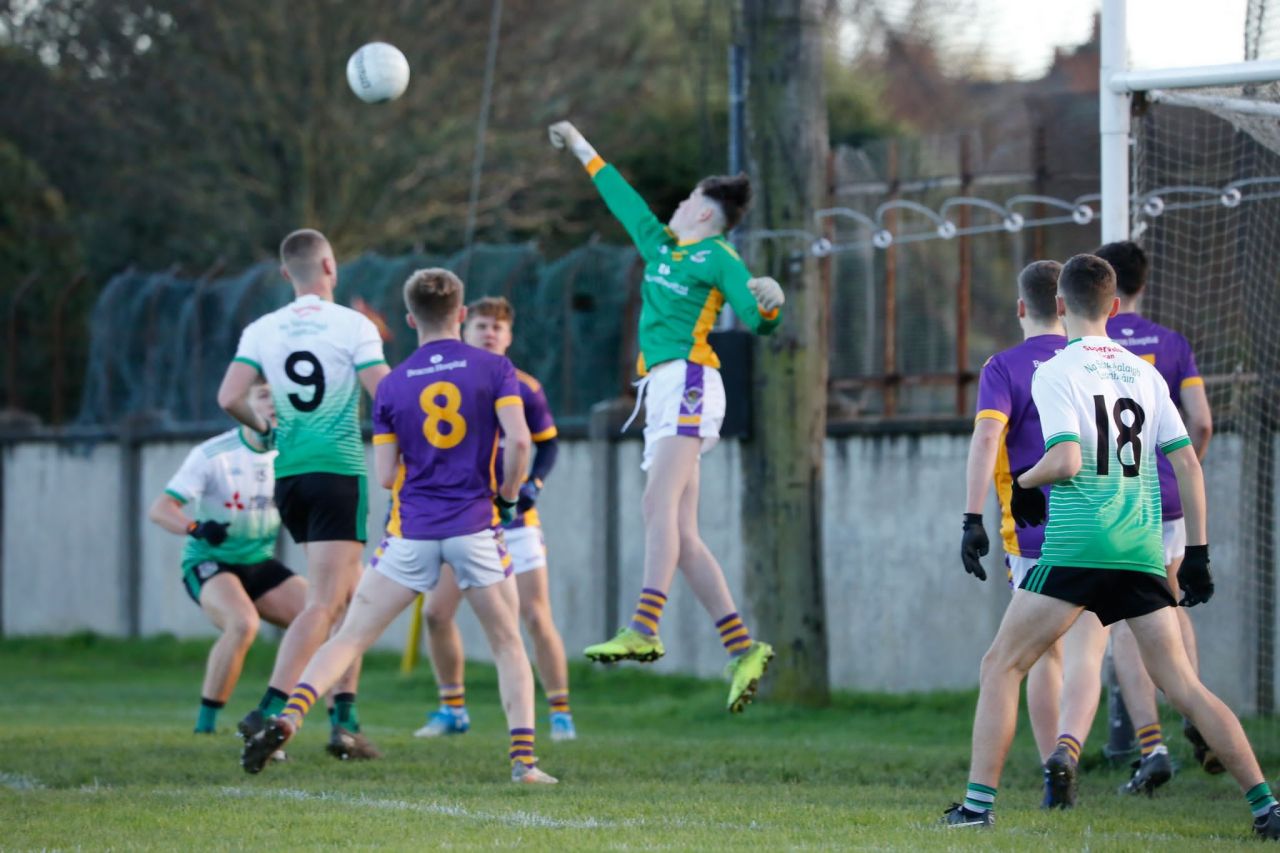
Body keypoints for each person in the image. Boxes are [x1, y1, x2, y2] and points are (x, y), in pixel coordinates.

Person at [944, 254, 1280, 840]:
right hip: (1141, 550)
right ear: (1115, 308)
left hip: (1075, 549)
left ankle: (976, 807)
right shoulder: (1144, 372)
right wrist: (1198, 554)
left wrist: (1024, 482)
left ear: (1057, 308)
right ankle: (1265, 806)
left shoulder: (1055, 369)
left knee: (1002, 665)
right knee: (1183, 685)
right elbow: (1188, 467)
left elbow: (1066, 459)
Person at [240, 268, 557, 784]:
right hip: (475, 526)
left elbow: (387, 475)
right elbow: (521, 443)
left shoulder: (392, 384)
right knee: (506, 642)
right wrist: (506, 495)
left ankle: (288, 716)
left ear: (410, 319)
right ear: (460, 314)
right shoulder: (495, 368)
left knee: (350, 636)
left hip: (412, 530)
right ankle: (524, 762)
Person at [549, 119, 784, 713]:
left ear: (705, 215)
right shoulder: (660, 247)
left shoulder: (718, 255)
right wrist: (582, 145)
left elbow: (756, 322)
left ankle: (644, 627)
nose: (676, 205)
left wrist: (771, 301)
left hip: (691, 382)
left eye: (687, 200)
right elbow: (622, 198)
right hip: (662, 390)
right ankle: (742, 647)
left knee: (657, 507)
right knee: (681, 532)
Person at [218, 228, 389, 762]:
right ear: (331, 266)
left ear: (285, 274)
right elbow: (385, 393)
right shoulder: (354, 325)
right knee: (325, 604)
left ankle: (345, 722)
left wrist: (265, 428)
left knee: (349, 599)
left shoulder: (262, 328)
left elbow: (229, 397)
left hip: (289, 475)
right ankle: (270, 710)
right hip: (337, 471)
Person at [962, 260, 1107, 808]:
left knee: (1038, 656)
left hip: (1033, 533)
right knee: (1090, 652)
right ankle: (1070, 749)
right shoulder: (1101, 364)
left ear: (1022, 308)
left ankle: (1051, 767)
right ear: (1068, 306)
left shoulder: (1005, 366)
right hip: (1111, 527)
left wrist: (970, 518)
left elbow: (985, 441)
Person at [415, 296, 576, 741]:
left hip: (513, 524)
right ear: (463, 328)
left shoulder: (523, 385)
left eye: (498, 328)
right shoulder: (444, 382)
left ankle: (560, 712)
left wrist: (532, 486)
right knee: (436, 613)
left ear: (509, 336)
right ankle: (452, 709)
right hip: (462, 520)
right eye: (482, 324)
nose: (490, 333)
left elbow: (548, 444)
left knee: (534, 616)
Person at [1096, 240, 1221, 793]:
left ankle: (1151, 746)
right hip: (1167, 496)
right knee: (1168, 601)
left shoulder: (1090, 342)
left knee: (1127, 617)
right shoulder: (1172, 345)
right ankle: (1196, 714)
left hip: (1114, 498)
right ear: (1142, 285)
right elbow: (1203, 421)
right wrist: (1181, 469)